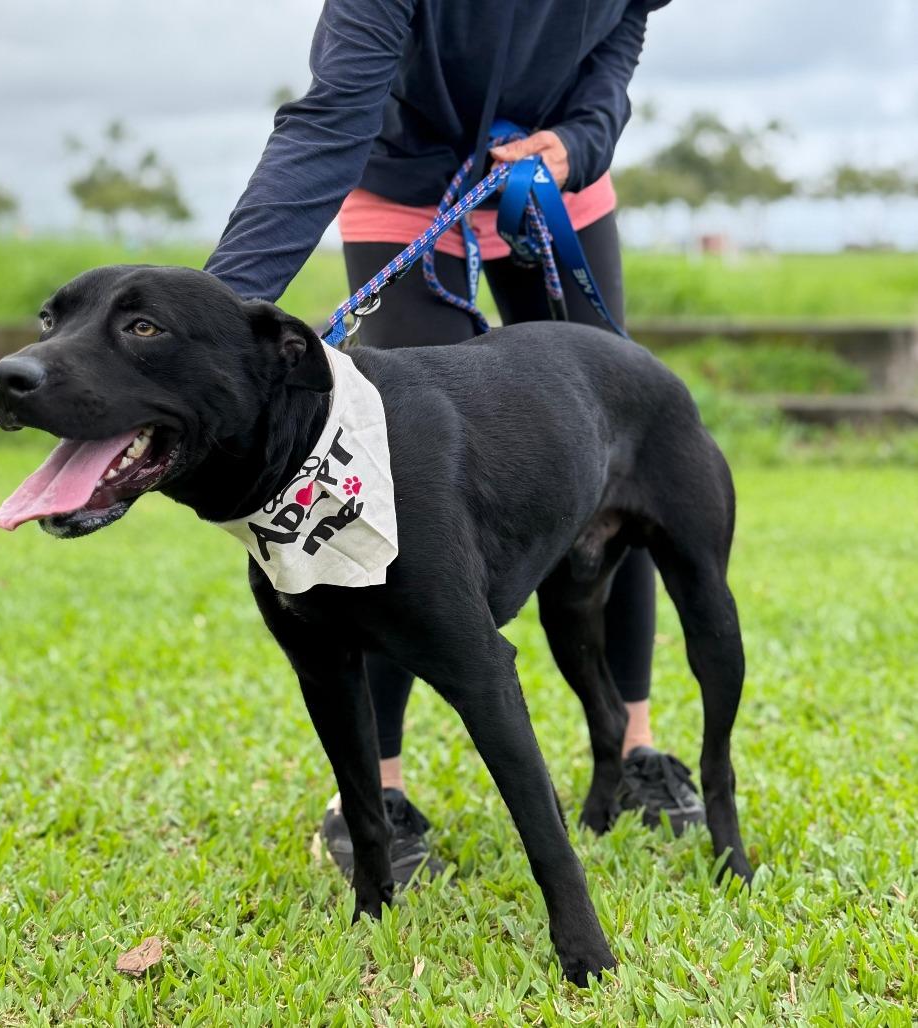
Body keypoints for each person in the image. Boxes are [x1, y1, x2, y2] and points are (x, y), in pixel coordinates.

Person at [205, 0, 705, 885]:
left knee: (620, 459)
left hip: (552, 184)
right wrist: (206, 321)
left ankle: (632, 753)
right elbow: (332, 120)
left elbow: (617, 47)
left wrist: (577, 141)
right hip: (401, 184)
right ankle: (378, 797)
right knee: (392, 487)